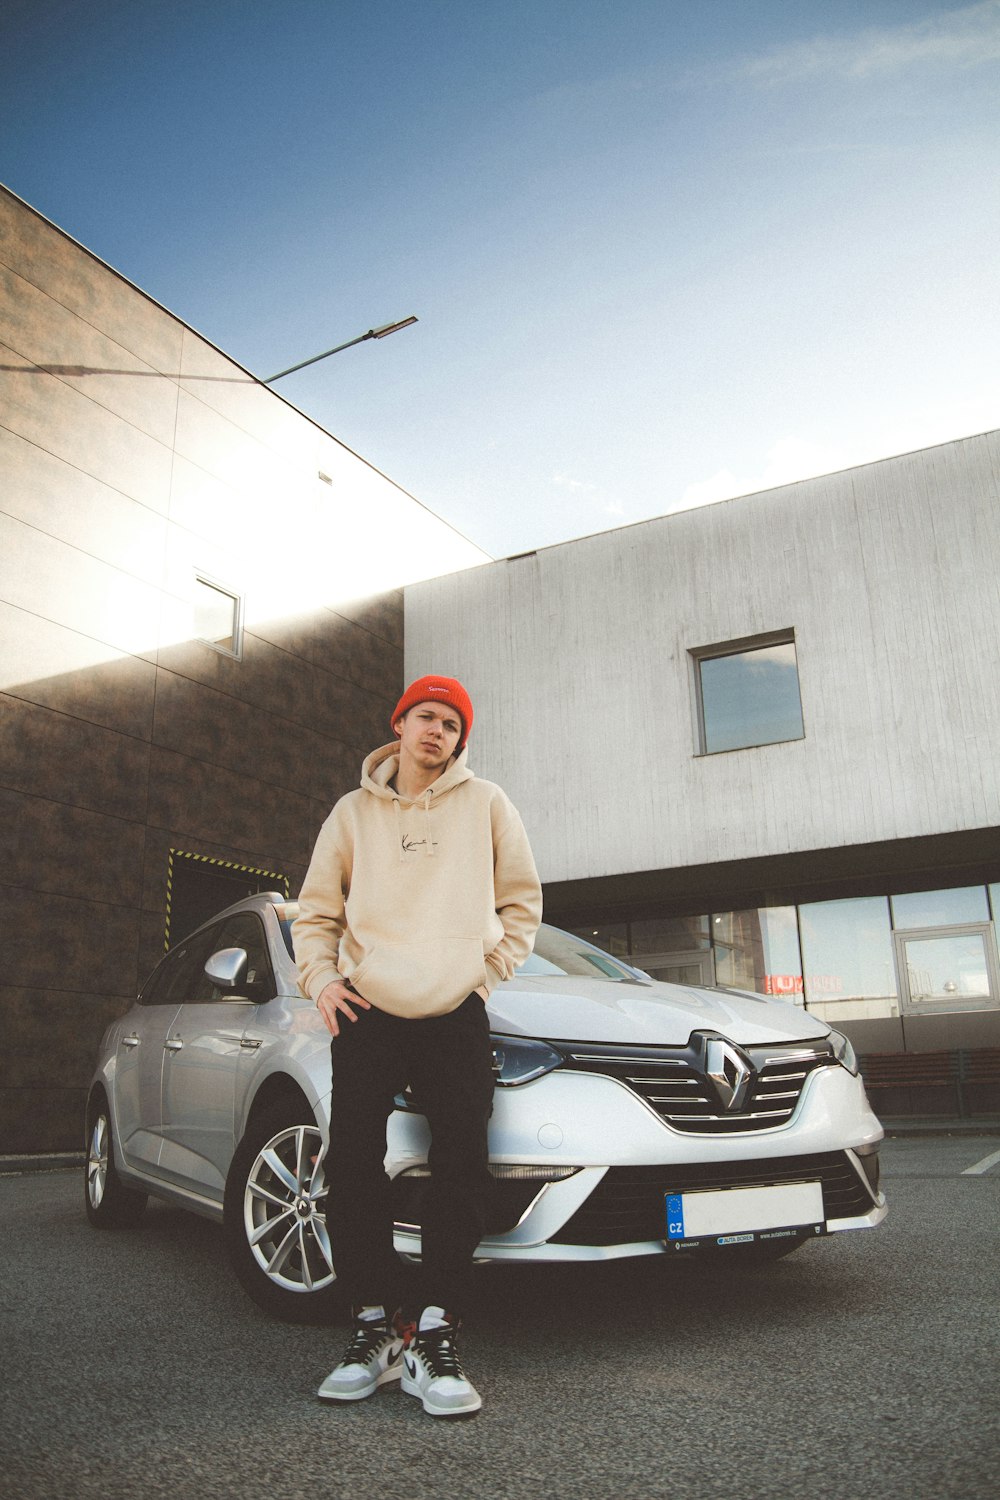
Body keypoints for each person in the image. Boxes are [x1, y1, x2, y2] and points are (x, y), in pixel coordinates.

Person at [292, 674, 542, 1418]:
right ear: (399, 723)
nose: (438, 732)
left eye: (452, 726)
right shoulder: (351, 813)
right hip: (368, 1009)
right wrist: (322, 981)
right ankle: (372, 1323)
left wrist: (483, 978)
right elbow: (316, 911)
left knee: (463, 1160)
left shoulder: (488, 803)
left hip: (454, 1011)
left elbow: (521, 904)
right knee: (356, 1162)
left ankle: (435, 1328)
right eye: (427, 717)